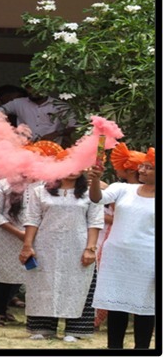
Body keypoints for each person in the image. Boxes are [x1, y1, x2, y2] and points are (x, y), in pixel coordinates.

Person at [18, 161, 103, 342]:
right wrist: (27, 245)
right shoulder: (40, 191)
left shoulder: (91, 194)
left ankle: (74, 329)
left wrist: (90, 248)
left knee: (77, 284)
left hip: (78, 245)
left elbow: (95, 221)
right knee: (43, 283)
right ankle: (41, 327)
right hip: (45, 244)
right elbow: (32, 219)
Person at [87, 149, 155, 349]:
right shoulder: (123, 189)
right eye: (142, 165)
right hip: (116, 257)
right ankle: (113, 348)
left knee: (145, 307)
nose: (140, 170)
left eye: (148, 168)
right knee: (116, 305)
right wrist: (95, 180)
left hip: (148, 259)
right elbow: (97, 199)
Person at [0, 178, 29, 326]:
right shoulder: (3, 184)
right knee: (3, 275)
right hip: (7, 236)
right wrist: (17, 232)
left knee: (34, 274)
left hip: (37, 236)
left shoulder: (45, 185)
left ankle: (37, 316)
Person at [0, 85, 76, 146]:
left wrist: (56, 134)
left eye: (38, 87)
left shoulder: (60, 106)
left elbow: (74, 127)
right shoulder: (18, 103)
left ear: (46, 88)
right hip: (23, 147)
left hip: (51, 148)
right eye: (30, 88)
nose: (33, 91)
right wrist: (8, 127)